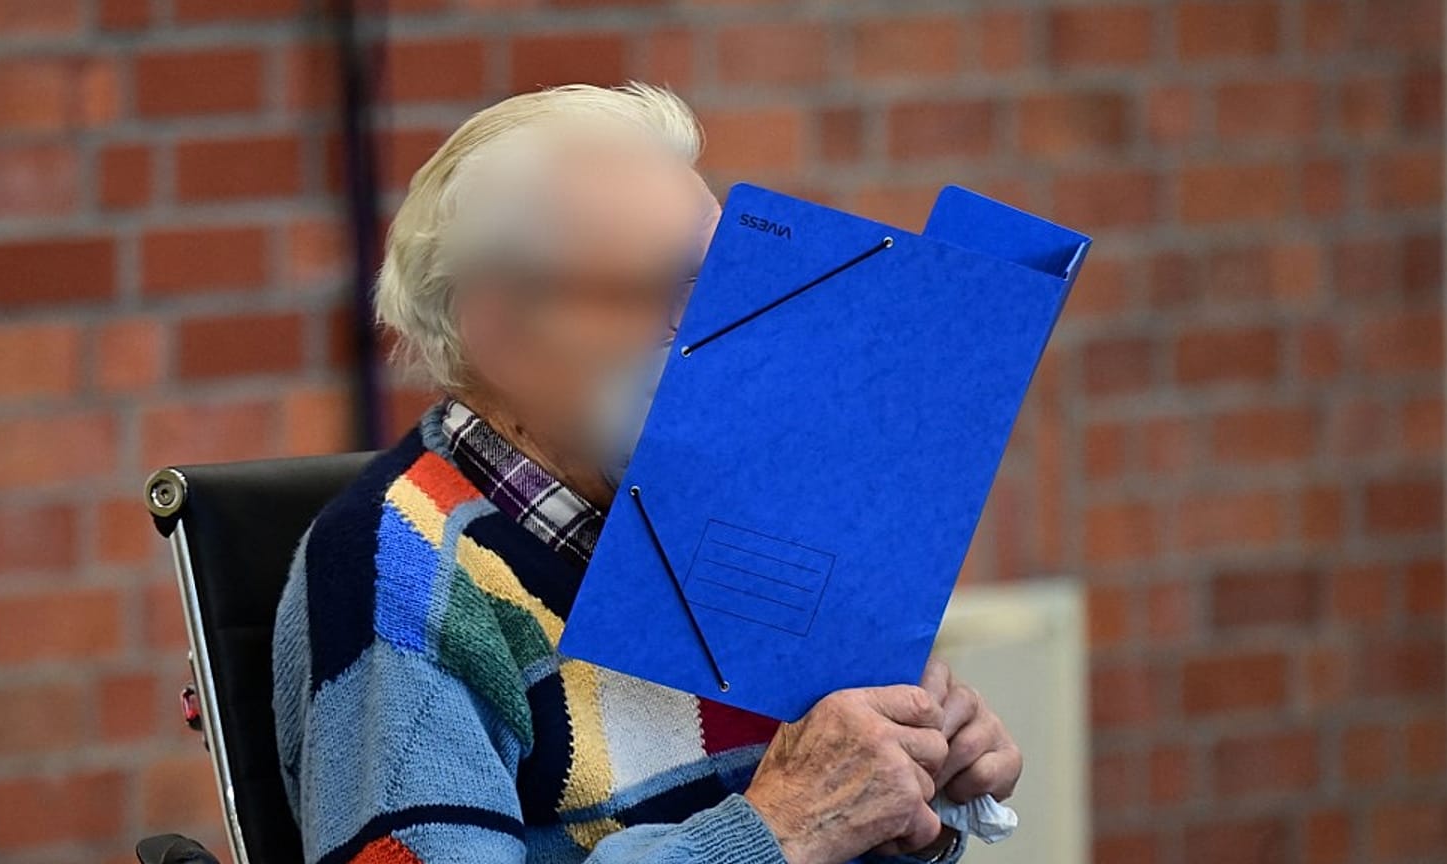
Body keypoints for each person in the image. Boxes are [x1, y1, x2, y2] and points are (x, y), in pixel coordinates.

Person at [272, 82, 1021, 864]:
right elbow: (796, 824)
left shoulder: (727, 505)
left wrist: (912, 793)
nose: (722, 331)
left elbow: (835, 811)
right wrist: (780, 829)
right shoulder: (399, 565)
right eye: (672, 292)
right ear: (501, 332)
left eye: (726, 286)